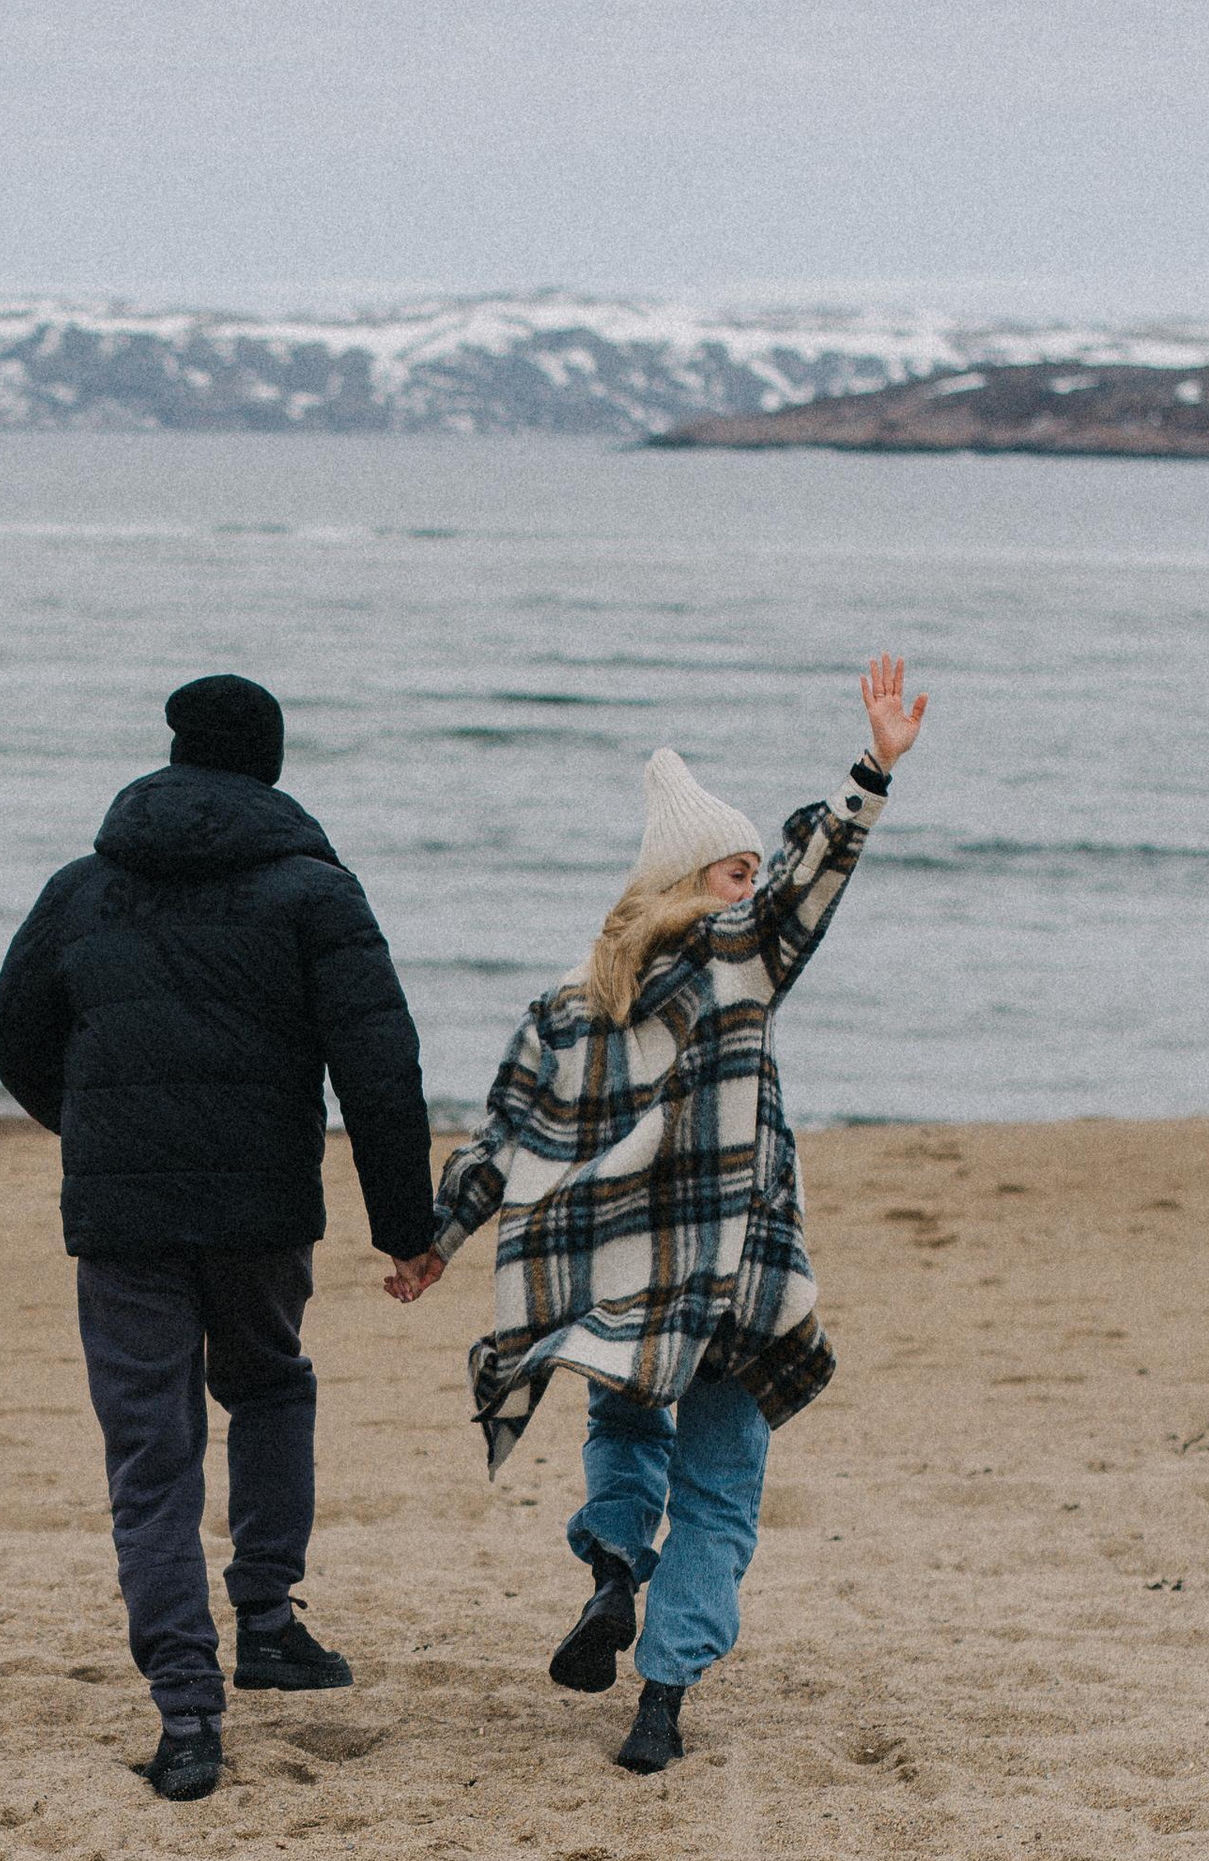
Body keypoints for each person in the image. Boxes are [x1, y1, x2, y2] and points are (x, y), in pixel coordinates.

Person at [387, 656, 929, 1772]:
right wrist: (871, 769)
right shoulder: (740, 960)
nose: (751, 887)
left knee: (624, 1424)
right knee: (723, 1484)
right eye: (734, 871)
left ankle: (616, 1570)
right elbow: (813, 879)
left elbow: (499, 1140)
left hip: (619, 1284)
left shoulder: (566, 1008)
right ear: (692, 882)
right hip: (736, 1272)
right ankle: (662, 1700)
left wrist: (432, 1243)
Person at [0, 673, 439, 1803]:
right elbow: (379, 1069)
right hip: (256, 1210)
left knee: (152, 1457)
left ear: (175, 753)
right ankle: (270, 1621)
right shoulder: (314, 893)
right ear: (270, 766)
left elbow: (11, 1032)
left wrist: (94, 1128)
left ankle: (188, 1710)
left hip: (124, 1214)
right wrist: (407, 1228)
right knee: (270, 1386)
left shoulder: (83, 888)